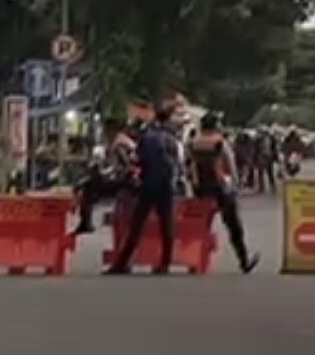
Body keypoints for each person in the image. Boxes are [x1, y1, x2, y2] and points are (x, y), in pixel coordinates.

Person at [105, 108, 180, 274]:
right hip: (165, 185)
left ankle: (121, 264)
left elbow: (139, 160)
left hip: (148, 185)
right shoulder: (171, 139)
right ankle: (164, 263)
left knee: (136, 226)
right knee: (166, 225)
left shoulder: (147, 138)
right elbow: (176, 164)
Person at [190, 113, 260, 273]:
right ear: (215, 125)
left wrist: (195, 185)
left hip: (201, 187)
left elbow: (192, 165)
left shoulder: (194, 143)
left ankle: (195, 261)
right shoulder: (220, 142)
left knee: (202, 226)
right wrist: (236, 183)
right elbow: (230, 163)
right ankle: (244, 261)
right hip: (220, 186)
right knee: (233, 225)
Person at [254, 128, 279, 194]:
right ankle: (262, 187)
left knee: (269, 172)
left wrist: (276, 157)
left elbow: (274, 148)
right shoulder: (258, 139)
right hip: (262, 156)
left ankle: (272, 186)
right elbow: (256, 149)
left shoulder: (271, 139)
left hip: (268, 157)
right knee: (261, 172)